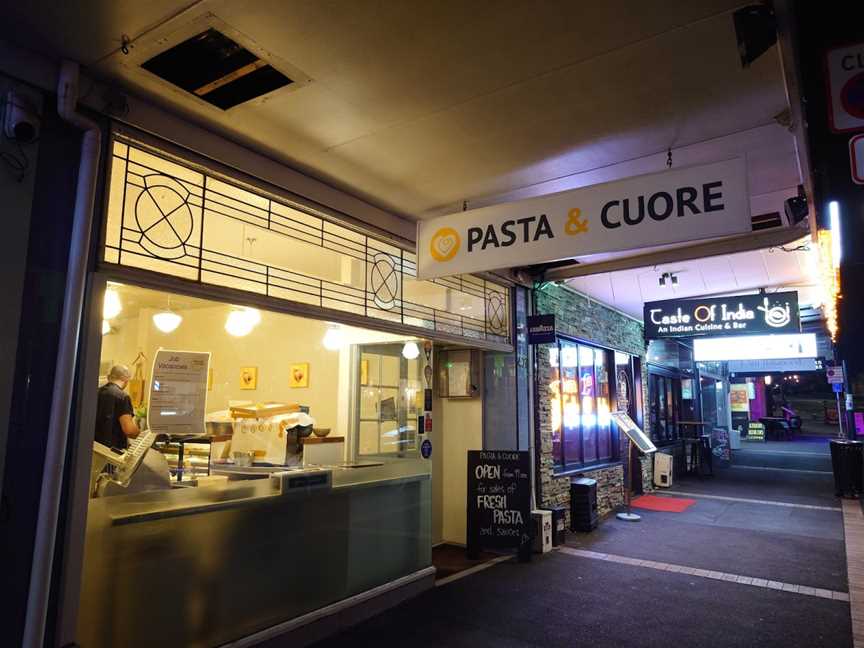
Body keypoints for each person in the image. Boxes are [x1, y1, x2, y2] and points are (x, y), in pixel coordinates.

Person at [95, 364, 140, 449]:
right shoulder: (122, 397)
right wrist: (143, 436)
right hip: (113, 451)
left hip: (95, 448)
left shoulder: (97, 392)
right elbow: (129, 430)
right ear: (125, 378)